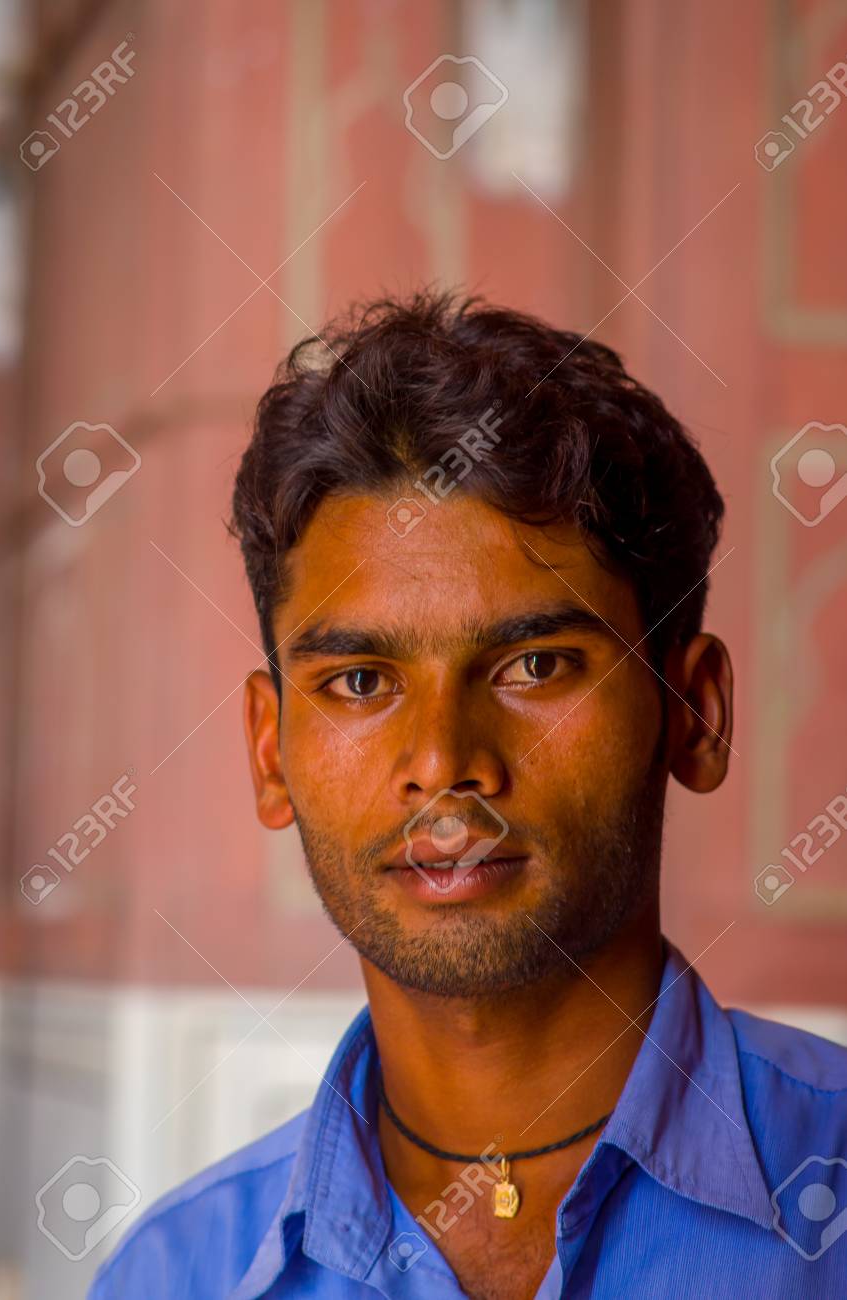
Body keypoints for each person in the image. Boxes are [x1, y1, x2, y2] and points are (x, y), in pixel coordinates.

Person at [90, 291, 847, 1298]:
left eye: (533, 665)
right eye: (359, 681)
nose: (443, 762)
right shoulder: (175, 1275)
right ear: (270, 754)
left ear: (693, 711)